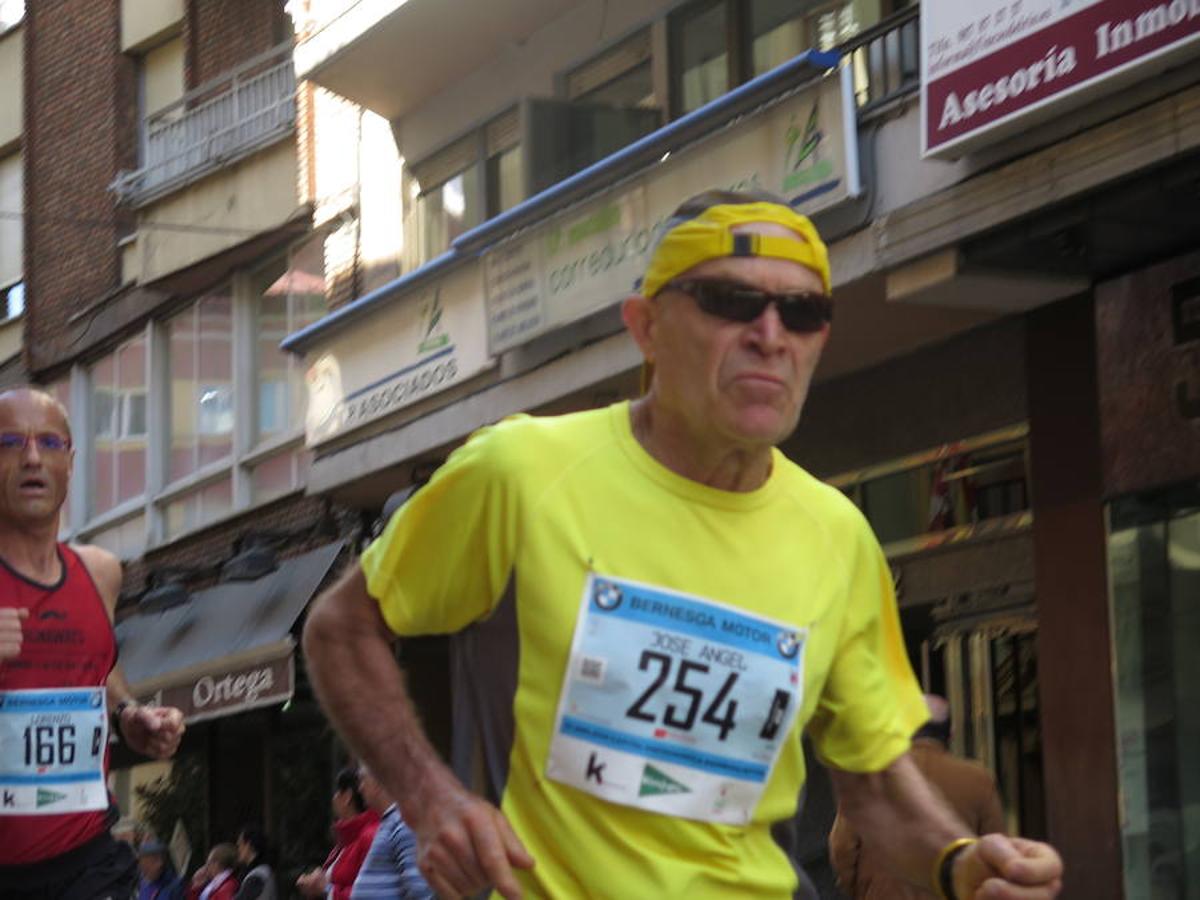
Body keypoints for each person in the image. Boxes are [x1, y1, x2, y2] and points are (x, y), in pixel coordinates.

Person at [302, 191, 1064, 899]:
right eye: (731, 302)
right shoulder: (521, 472)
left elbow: (872, 782)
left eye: (801, 312)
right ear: (646, 326)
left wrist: (961, 862)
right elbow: (341, 627)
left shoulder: (837, 535)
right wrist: (431, 797)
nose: (770, 336)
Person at [0, 386, 187, 899]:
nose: (32, 457)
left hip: (89, 861)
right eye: (10, 442)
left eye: (50, 443)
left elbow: (97, 669)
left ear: (70, 461)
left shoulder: (100, 572)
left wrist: (130, 714)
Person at [829, 695, 1008, 899]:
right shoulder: (979, 779)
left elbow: (842, 847)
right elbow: (996, 849)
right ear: (951, 734)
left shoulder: (872, 775)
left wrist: (863, 890)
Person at [351, 763, 434, 899]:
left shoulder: (404, 823)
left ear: (379, 780)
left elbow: (420, 891)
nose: (360, 788)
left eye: (363, 779)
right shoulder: (391, 821)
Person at [296, 766, 380, 899]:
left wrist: (326, 889)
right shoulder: (346, 841)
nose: (333, 799)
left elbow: (372, 893)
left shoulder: (370, 836)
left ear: (347, 796)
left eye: (337, 792)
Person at [234, 823, 277, 900]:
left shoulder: (257, 876)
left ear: (248, 845)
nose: (238, 849)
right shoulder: (262, 871)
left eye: (240, 844)